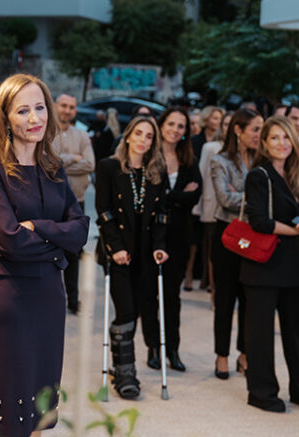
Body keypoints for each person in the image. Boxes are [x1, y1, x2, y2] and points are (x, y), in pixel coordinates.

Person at [0, 73, 87, 436]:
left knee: (38, 408)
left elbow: (80, 231)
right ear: (5, 117)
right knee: (4, 411)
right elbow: (9, 239)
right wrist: (57, 241)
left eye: (40, 108)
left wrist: (37, 227)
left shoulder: (54, 168)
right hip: (9, 299)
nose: (34, 118)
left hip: (49, 296)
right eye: (23, 111)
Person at [240, 115, 299, 412]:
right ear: (264, 142)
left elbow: (297, 214)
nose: (281, 143)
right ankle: (261, 392)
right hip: (264, 266)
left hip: (292, 265)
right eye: (274, 137)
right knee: (260, 334)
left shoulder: (295, 176)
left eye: (286, 137)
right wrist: (296, 230)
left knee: (296, 331)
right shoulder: (258, 176)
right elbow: (260, 222)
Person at [96, 115, 169, 398]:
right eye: (138, 133)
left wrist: (160, 245)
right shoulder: (109, 167)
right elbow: (104, 211)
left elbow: (162, 213)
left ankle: (121, 364)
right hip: (119, 252)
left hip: (147, 253)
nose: (142, 140)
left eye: (149, 136)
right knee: (125, 310)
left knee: (139, 308)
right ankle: (126, 373)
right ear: (127, 136)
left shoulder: (156, 171)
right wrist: (115, 247)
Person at [210, 108, 263, 379]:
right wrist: (253, 198)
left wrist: (240, 194)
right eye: (255, 129)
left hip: (254, 234)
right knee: (225, 298)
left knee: (249, 299)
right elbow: (223, 198)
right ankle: (221, 355)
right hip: (227, 234)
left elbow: (267, 194)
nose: (259, 135)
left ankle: (244, 353)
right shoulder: (220, 160)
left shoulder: (261, 159)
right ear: (238, 131)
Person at [156, 107, 201, 372]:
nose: (175, 129)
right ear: (162, 125)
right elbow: (151, 197)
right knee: (150, 294)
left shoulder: (188, 159)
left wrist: (167, 197)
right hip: (152, 234)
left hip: (180, 235)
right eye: (171, 124)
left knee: (172, 296)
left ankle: (172, 349)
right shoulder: (149, 155)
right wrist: (178, 196)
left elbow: (195, 195)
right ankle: (154, 347)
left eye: (181, 126)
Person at [51, 93, 94, 314]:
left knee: (73, 253)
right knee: (49, 252)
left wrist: (61, 163)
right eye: (64, 106)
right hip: (51, 203)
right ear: (55, 106)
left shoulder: (82, 135)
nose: (67, 110)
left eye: (72, 107)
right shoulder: (47, 133)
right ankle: (50, 299)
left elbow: (90, 164)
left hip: (76, 202)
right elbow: (48, 162)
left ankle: (73, 300)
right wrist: (73, 158)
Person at [194, 110, 232, 296]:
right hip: (211, 202)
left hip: (233, 207)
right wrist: (198, 206)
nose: (228, 128)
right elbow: (201, 175)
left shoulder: (244, 149)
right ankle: (210, 283)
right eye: (225, 124)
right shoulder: (210, 147)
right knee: (210, 246)